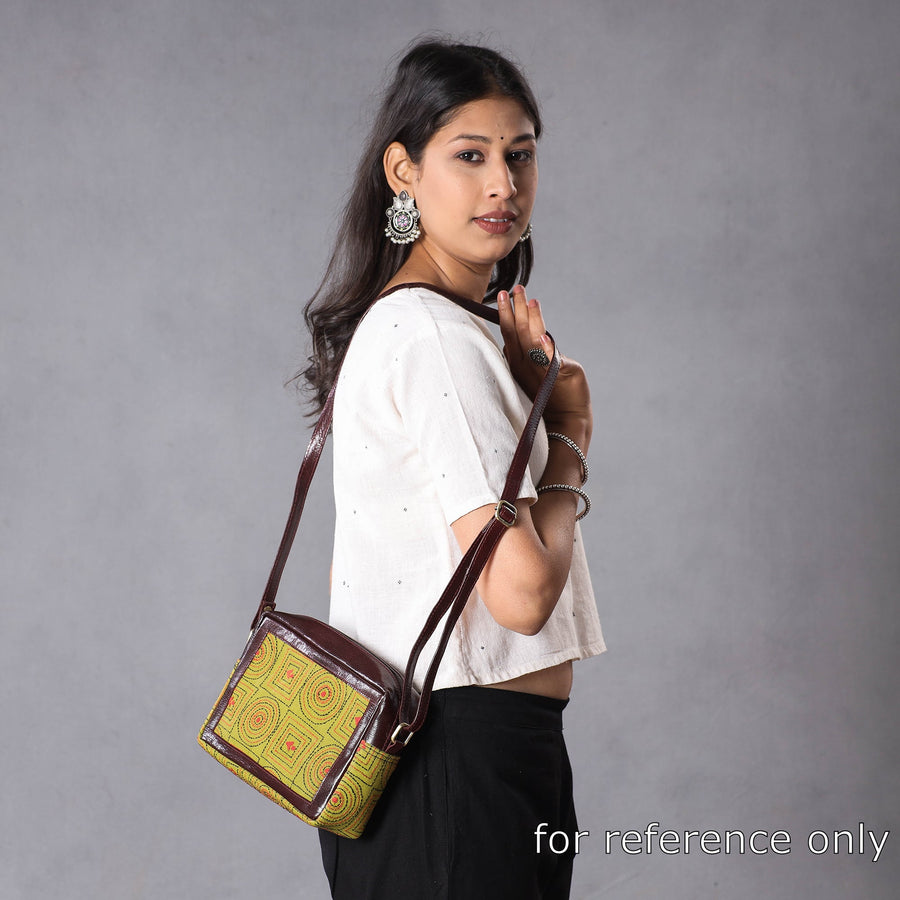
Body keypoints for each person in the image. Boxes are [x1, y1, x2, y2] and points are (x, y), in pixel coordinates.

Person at [300, 38, 606, 900]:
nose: (502, 184)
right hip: (456, 762)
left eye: (520, 155)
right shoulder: (435, 336)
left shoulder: (431, 326)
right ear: (404, 172)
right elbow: (521, 595)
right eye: (469, 156)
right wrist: (570, 434)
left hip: (468, 758)